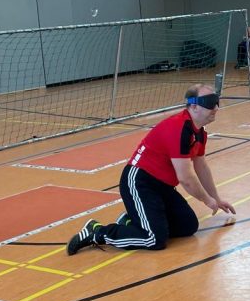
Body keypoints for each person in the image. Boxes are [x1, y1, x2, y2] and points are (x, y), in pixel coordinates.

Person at [67, 84, 235, 255]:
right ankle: (96, 232)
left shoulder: (199, 132)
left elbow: (201, 166)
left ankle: (132, 220)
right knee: (154, 239)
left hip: (163, 186)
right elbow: (186, 177)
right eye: (209, 102)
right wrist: (207, 200)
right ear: (193, 106)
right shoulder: (179, 129)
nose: (215, 107)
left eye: (216, 101)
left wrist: (216, 198)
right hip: (140, 182)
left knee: (188, 225)